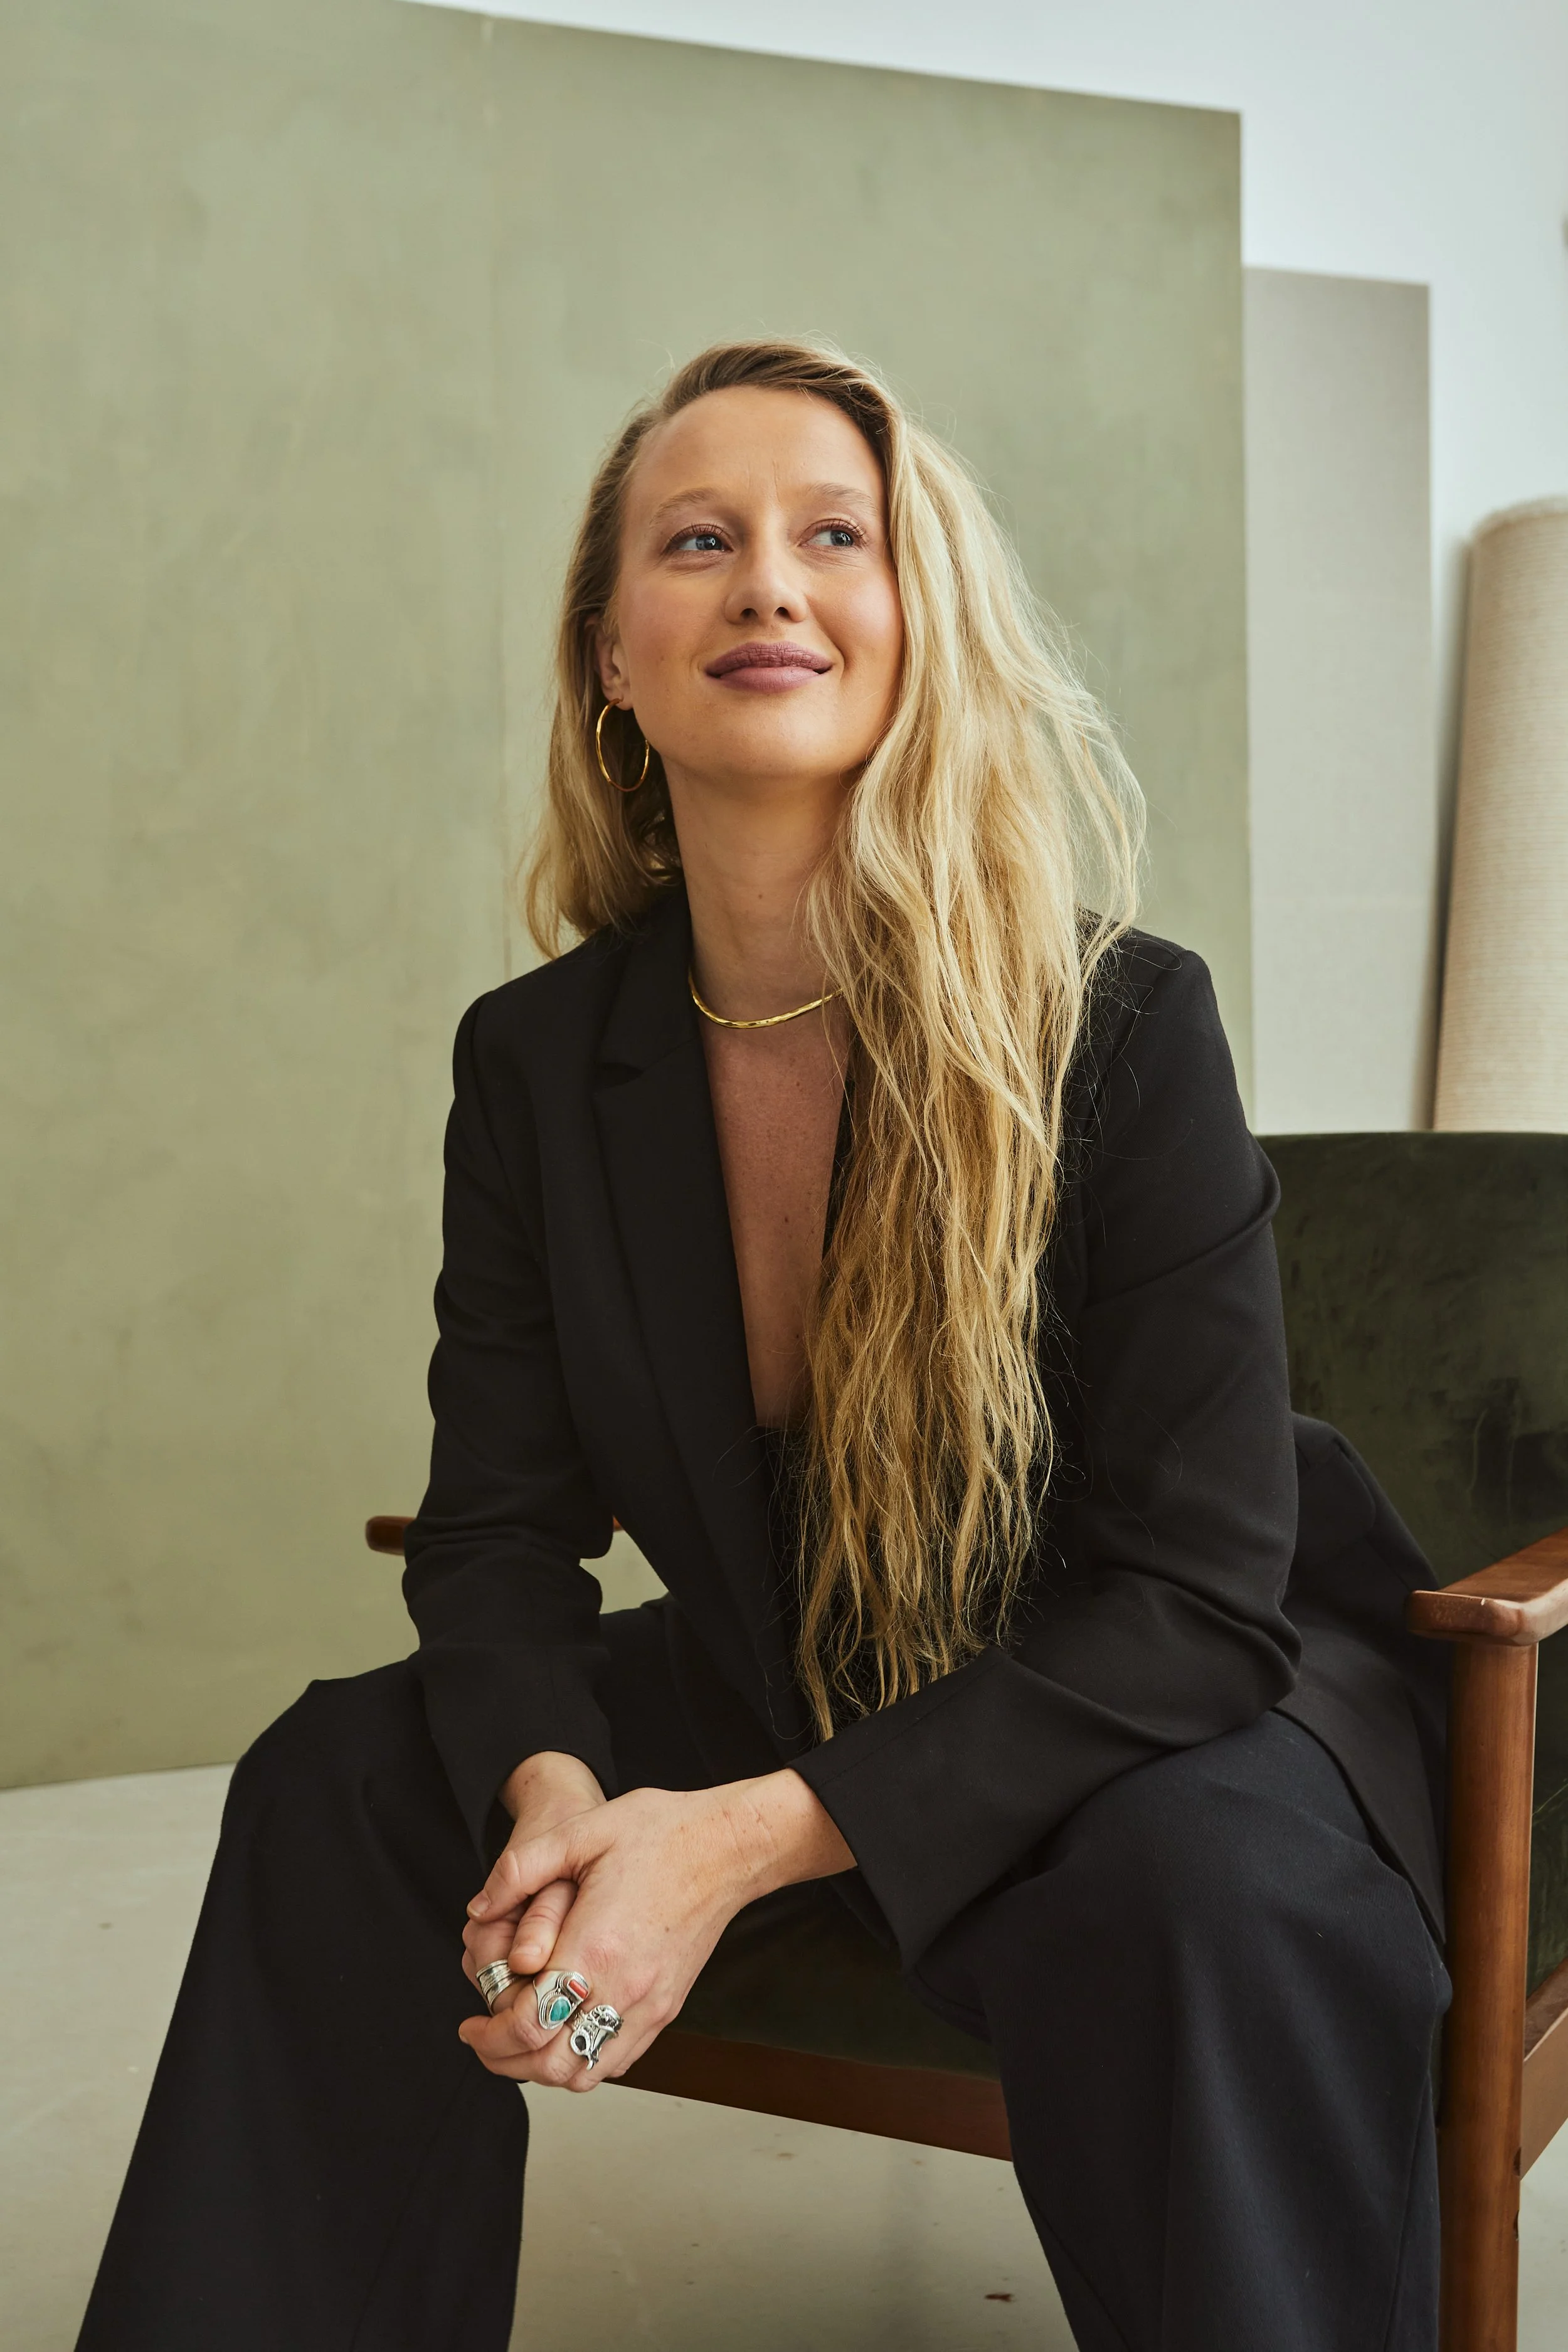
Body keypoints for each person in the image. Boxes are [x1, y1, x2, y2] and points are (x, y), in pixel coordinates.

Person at [77, 339, 1451, 2352]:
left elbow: (1193, 1599)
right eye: (696, 540)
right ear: (611, 656)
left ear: (920, 625)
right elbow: (494, 1529)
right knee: (341, 1776)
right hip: (794, 1656)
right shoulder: (538, 1059)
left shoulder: (1121, 1022)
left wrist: (732, 1838)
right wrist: (556, 1790)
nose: (770, 585)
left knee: (1192, 1890)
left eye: (836, 536)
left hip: (1160, 1698)